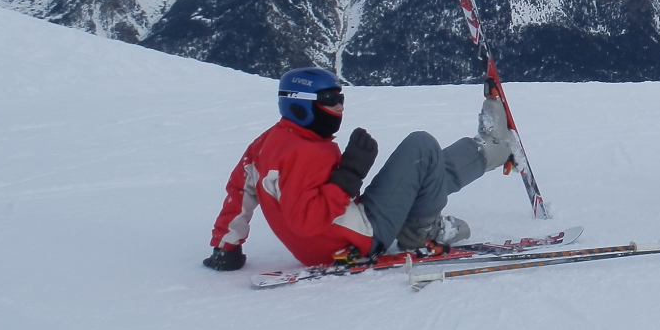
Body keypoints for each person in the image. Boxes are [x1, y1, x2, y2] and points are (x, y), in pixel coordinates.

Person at [202, 67, 512, 271]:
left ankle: (490, 149)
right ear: (300, 103)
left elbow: (241, 188)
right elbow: (306, 221)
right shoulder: (304, 153)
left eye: (340, 97)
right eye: (330, 99)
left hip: (341, 232)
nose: (340, 106)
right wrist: (349, 176)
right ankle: (422, 232)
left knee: (419, 171)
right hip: (356, 238)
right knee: (421, 147)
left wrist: (226, 247)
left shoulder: (272, 142)